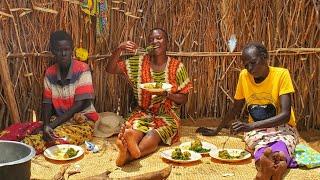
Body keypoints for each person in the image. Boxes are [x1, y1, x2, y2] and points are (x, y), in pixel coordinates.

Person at [197, 42, 299, 180]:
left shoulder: (281, 74)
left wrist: (251, 126)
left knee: (283, 143)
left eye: (253, 62)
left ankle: (272, 167)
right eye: (246, 65)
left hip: (282, 127)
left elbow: (285, 115)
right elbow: (235, 108)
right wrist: (217, 130)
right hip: (257, 131)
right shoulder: (244, 76)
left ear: (264, 57)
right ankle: (272, 167)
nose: (250, 68)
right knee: (260, 146)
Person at [106, 28, 192, 166]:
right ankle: (132, 144)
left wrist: (167, 94)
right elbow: (110, 69)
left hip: (167, 115)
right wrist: (119, 49)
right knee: (135, 129)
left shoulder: (177, 67)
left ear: (167, 42)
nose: (155, 41)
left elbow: (184, 98)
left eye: (159, 38)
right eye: (151, 39)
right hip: (142, 112)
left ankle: (127, 156)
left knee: (153, 134)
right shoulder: (138, 63)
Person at [22, 30, 99, 153]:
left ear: (71, 50)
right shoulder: (50, 73)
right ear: (53, 51)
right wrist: (47, 124)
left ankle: (24, 149)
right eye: (59, 50)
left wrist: (50, 126)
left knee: (51, 139)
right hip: (59, 120)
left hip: (82, 123)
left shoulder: (82, 69)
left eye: (67, 49)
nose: (63, 53)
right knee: (25, 130)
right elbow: (47, 103)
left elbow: (80, 105)